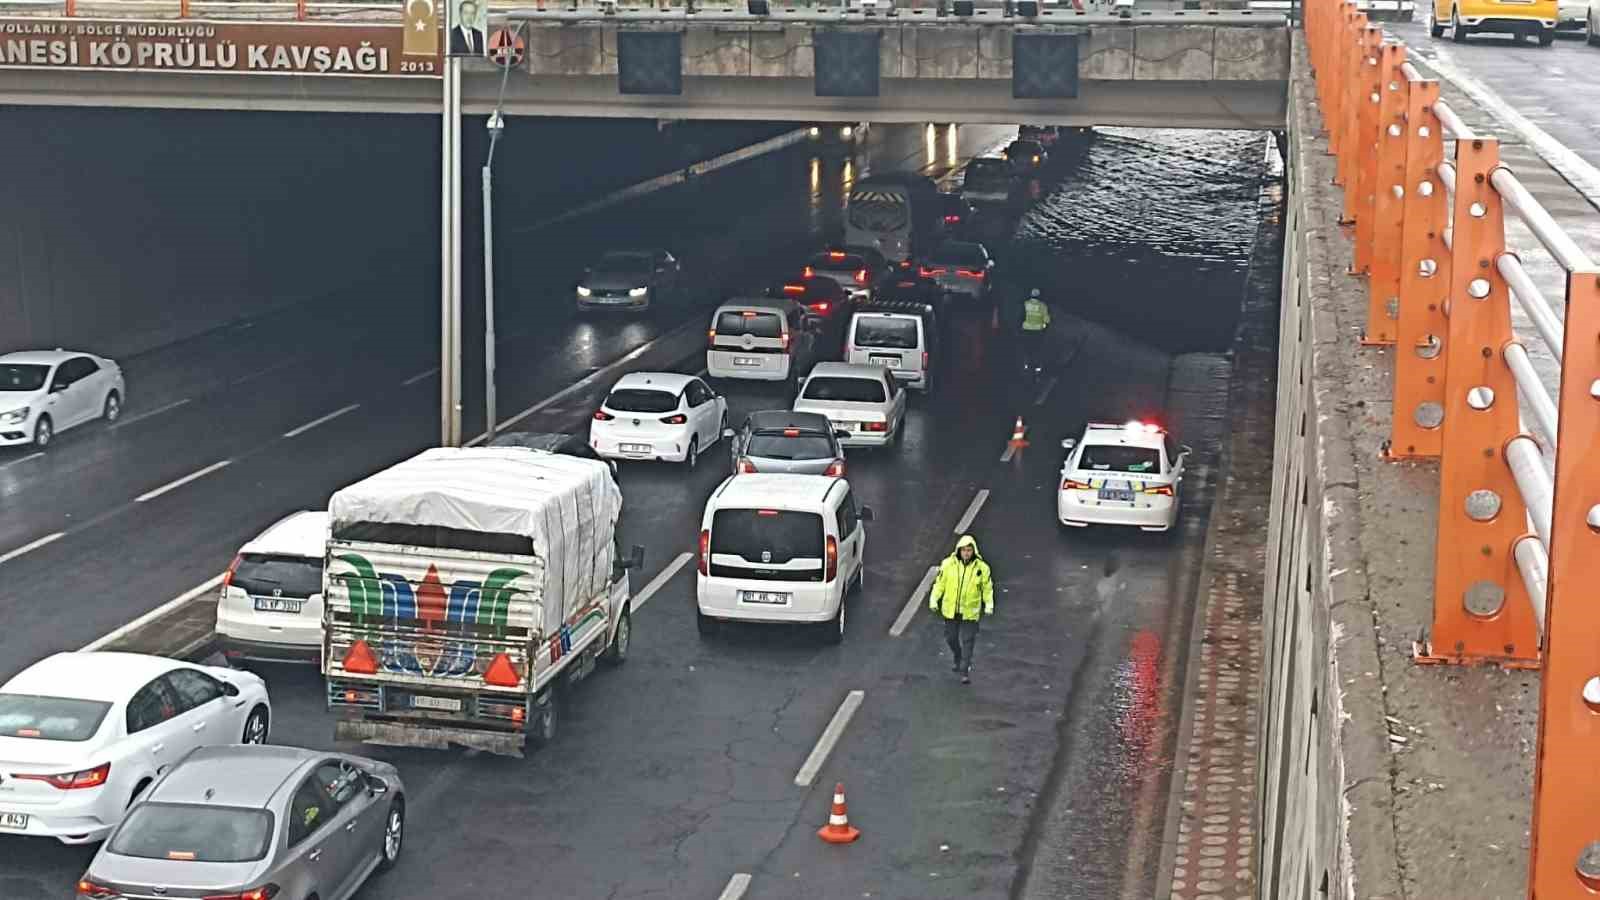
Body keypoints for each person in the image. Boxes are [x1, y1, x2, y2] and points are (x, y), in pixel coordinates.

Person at [929, 534, 994, 684]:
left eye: (969, 550)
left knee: (968, 640)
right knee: (951, 638)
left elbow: (987, 588)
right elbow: (940, 584)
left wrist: (988, 604)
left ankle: (964, 669)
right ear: (959, 550)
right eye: (964, 550)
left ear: (973, 551)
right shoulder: (948, 565)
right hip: (951, 610)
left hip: (970, 612)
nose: (966, 553)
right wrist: (934, 599)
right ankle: (958, 657)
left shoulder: (982, 568)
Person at [1020, 288, 1052, 376]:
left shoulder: (1026, 304)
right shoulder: (1043, 306)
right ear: (1039, 296)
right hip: (1038, 331)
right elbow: (1047, 320)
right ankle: (1037, 368)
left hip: (1026, 330)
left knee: (1027, 348)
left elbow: (1021, 316)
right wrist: (1045, 325)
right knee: (1037, 349)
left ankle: (1026, 366)